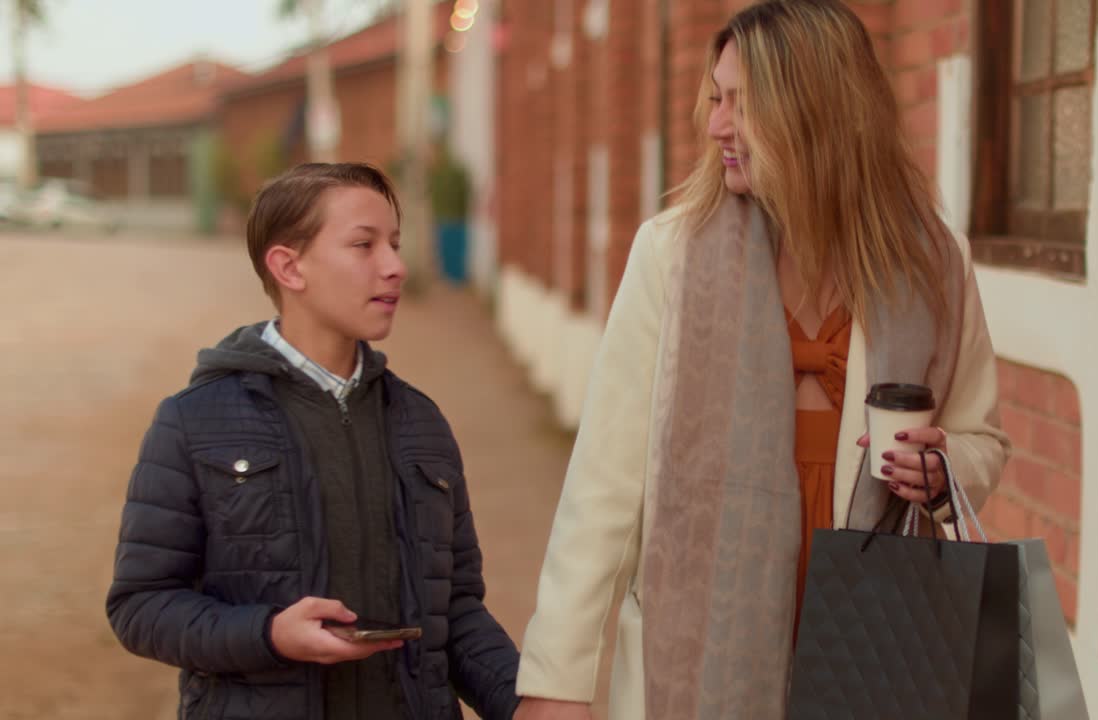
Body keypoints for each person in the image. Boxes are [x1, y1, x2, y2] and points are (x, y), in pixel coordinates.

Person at [514, 1, 1011, 719]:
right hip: (703, 656)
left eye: (742, 105)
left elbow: (980, 438)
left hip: (880, 645)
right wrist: (557, 679)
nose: (716, 124)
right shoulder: (673, 256)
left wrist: (944, 469)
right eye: (716, 99)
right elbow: (604, 484)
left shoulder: (935, 265)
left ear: (817, 112)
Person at [106, 162, 523, 720]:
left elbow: (456, 610)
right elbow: (141, 606)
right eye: (364, 245)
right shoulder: (193, 421)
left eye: (395, 244)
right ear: (289, 267)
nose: (395, 267)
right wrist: (269, 634)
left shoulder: (420, 422)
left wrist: (523, 702)